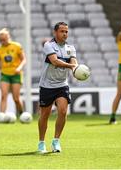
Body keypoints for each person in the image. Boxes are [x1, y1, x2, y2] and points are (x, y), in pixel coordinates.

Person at [38, 22, 77, 153]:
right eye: (62, 31)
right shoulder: (48, 45)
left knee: (63, 111)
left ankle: (56, 141)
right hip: (47, 85)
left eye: (66, 31)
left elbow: (74, 62)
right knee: (45, 115)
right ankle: (41, 142)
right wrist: (71, 67)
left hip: (62, 84)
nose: (65, 34)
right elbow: (54, 61)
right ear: (55, 32)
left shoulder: (71, 48)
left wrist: (77, 70)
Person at [0, 28, 26, 115]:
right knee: (3, 96)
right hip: (5, 75)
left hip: (16, 74)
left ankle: (22, 114)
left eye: (4, 40)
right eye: (0, 40)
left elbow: (24, 59)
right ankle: (2, 116)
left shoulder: (17, 46)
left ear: (8, 37)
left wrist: (19, 68)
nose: (2, 42)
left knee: (16, 98)